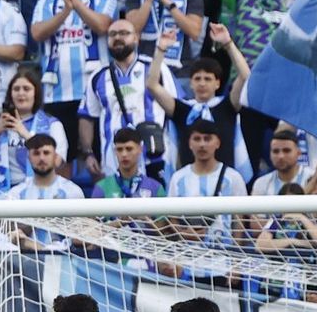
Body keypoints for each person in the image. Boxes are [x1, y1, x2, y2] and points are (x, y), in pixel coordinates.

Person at [80, 19, 178, 181]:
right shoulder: (98, 75)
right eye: (113, 34)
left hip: (154, 156)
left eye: (124, 33)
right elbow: (87, 116)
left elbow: (176, 108)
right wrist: (89, 153)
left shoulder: (156, 68)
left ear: (136, 38)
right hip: (113, 159)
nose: (118, 37)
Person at [148, 24, 250, 177]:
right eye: (197, 79)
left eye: (208, 79)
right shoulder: (182, 109)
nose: (202, 83)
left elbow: (245, 76)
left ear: (217, 83)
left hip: (224, 182)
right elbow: (152, 85)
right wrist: (161, 49)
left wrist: (228, 44)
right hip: (189, 181)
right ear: (191, 83)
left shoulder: (227, 105)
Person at [30, 0, 117, 153]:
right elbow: (37, 33)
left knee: (98, 155)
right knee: (62, 156)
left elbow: (102, 26)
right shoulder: (46, 0)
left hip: (96, 92)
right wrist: (65, 12)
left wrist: (75, 3)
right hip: (57, 93)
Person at [166, 119, 247, 282]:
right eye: (197, 139)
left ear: (217, 142)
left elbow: (239, 222)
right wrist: (183, 234)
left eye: (207, 138)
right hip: (187, 266)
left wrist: (236, 264)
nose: (202, 144)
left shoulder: (233, 178)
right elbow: (171, 219)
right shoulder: (178, 178)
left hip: (222, 267)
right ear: (189, 143)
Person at [0, 66, 67, 198]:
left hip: (39, 192)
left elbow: (56, 162)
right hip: (4, 192)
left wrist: (25, 133)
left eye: (27, 89)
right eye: (16, 89)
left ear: (36, 93)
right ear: (10, 94)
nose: (21, 93)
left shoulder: (52, 124)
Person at [4, 133, 84, 250]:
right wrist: (38, 217)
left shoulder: (72, 191)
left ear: (55, 156)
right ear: (29, 158)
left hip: (65, 261)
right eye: (36, 153)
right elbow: (9, 230)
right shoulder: (16, 193)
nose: (41, 158)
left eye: (46, 153)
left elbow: (81, 234)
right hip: (24, 260)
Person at [249, 128, 317, 197]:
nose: (281, 156)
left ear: (298, 153)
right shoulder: (262, 183)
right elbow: (255, 214)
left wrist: (315, 180)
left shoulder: (312, 177)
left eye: (286, 151)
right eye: (275, 151)